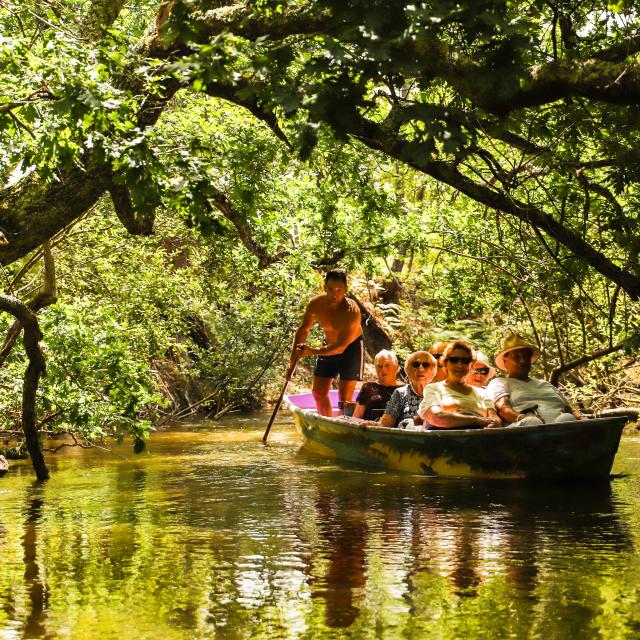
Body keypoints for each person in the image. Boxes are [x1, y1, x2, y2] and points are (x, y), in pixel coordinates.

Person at [287, 271, 363, 416]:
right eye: (330, 289)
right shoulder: (316, 304)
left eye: (339, 290)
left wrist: (312, 351)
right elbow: (303, 330)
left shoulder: (352, 311)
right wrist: (292, 363)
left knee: (344, 401)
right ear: (324, 288)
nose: (335, 294)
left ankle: (344, 428)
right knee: (318, 392)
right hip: (328, 346)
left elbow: (340, 347)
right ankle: (326, 424)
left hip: (350, 349)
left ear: (346, 290)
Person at [487, 333, 587, 426]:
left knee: (567, 418)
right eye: (516, 356)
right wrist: (521, 417)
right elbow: (503, 409)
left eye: (526, 356)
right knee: (532, 421)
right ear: (505, 361)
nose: (522, 361)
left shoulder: (545, 384)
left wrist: (582, 418)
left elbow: (570, 409)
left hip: (561, 426)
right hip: (527, 428)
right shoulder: (499, 382)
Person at [418, 340, 501, 429]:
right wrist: (476, 420)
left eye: (465, 361)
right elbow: (436, 417)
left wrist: (495, 423)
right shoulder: (434, 388)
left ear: (471, 366)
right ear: (445, 364)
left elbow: (494, 417)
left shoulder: (482, 393)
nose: (460, 365)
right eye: (454, 360)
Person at [378, 351, 437, 429]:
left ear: (433, 371)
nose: (421, 369)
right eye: (416, 365)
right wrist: (373, 424)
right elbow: (385, 424)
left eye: (426, 365)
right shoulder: (400, 393)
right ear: (408, 370)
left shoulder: (439, 391)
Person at [352, 350, 403, 421]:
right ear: (376, 369)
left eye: (387, 365)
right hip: (370, 429)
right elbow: (357, 416)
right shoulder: (367, 387)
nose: (383, 369)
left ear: (396, 367)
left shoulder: (405, 389)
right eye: (380, 366)